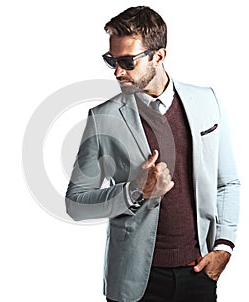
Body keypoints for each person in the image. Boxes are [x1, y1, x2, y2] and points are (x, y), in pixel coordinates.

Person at [65, 6, 240, 302]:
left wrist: (224, 247)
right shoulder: (103, 118)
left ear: (158, 56)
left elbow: (228, 182)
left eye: (127, 61)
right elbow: (76, 203)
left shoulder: (207, 100)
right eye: (112, 61)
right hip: (136, 282)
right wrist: (136, 190)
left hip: (199, 273)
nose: (118, 71)